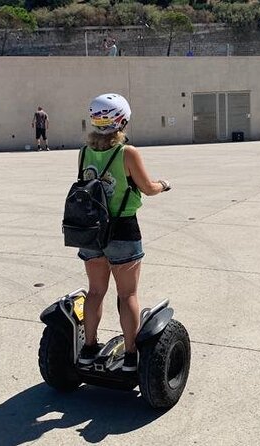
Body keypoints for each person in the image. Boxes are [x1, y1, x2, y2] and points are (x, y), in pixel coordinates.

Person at [77, 93, 171, 372]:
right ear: (122, 119)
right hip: (122, 228)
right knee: (127, 295)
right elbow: (147, 188)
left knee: (95, 291)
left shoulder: (84, 152)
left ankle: (89, 349)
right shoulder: (127, 153)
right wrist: (164, 184)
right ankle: (131, 356)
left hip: (92, 230)